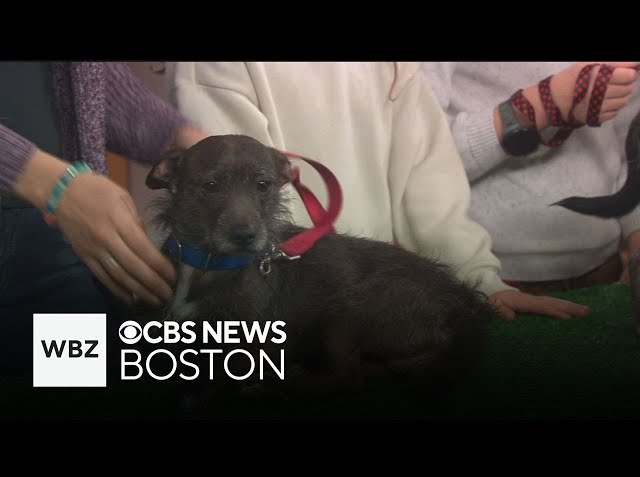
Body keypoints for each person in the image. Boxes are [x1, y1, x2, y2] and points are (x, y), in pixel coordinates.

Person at [166, 61, 589, 320]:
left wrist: (481, 283)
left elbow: (428, 181)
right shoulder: (212, 65)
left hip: (370, 302)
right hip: (274, 309)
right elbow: (241, 206)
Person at [0, 62, 210, 375]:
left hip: (47, 242)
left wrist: (196, 145)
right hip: (57, 200)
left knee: (82, 382)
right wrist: (54, 184)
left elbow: (80, 76)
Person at [421, 62, 640, 294]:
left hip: (608, 270)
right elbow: (412, 162)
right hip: (486, 280)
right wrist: (536, 108)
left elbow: (630, 144)